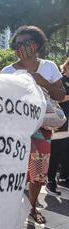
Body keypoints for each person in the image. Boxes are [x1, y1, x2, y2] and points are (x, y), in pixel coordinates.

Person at [2, 26, 65, 224]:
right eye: (18, 44)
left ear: (36, 44)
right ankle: (12, 211)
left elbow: (61, 95)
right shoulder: (8, 71)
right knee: (14, 170)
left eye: (26, 42)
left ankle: (31, 206)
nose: (21, 47)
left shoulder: (49, 67)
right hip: (14, 130)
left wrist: (42, 81)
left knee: (37, 172)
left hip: (41, 129)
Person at [50, 58, 69, 192]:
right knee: (56, 151)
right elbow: (56, 97)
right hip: (60, 121)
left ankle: (63, 177)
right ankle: (50, 179)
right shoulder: (59, 80)